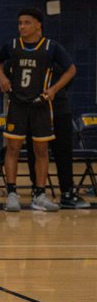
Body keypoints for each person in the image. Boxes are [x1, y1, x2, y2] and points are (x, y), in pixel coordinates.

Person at [0, 8, 76, 212]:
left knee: (41, 152)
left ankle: (39, 194)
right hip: (17, 105)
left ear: (38, 25)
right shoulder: (12, 45)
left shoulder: (51, 47)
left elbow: (71, 69)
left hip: (40, 106)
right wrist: (2, 77)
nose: (22, 26)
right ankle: (12, 193)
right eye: (20, 23)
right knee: (12, 149)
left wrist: (55, 89)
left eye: (27, 23)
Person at [27, 48, 89, 209]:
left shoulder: (59, 62)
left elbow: (69, 80)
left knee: (63, 152)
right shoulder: (23, 57)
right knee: (35, 152)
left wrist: (55, 91)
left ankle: (67, 193)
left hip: (59, 109)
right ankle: (38, 191)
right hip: (35, 110)